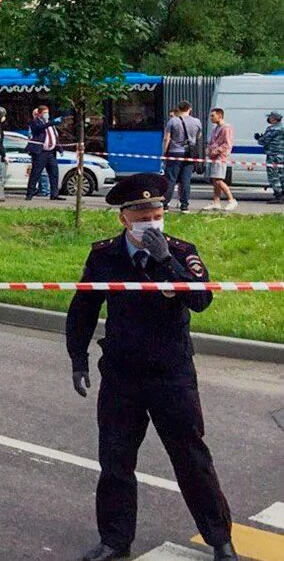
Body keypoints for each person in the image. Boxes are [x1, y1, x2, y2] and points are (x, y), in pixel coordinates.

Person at [66, 173, 236, 561]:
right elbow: (84, 307)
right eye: (142, 214)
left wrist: (165, 262)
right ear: (124, 218)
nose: (151, 220)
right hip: (123, 374)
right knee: (115, 460)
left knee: (192, 459)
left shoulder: (180, 251)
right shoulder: (105, 255)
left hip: (171, 374)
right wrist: (78, 357)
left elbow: (200, 301)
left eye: (157, 212)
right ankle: (115, 540)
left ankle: (220, 539)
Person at [162, 100, 203, 213]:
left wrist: (164, 153)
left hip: (174, 152)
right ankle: (184, 206)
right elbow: (198, 136)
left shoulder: (172, 121)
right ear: (190, 109)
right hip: (189, 153)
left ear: (178, 109)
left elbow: (167, 139)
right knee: (186, 180)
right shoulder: (197, 121)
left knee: (170, 179)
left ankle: (165, 205)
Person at [25, 105, 66, 201]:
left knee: (54, 173)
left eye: (47, 113)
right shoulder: (35, 122)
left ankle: (54, 194)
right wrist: (52, 123)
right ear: (39, 113)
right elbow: (39, 128)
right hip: (40, 152)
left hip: (51, 153)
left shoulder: (50, 124)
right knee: (36, 173)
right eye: (44, 113)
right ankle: (30, 194)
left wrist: (59, 149)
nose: (47, 115)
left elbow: (54, 137)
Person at [202, 109, 237, 211]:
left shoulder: (226, 128)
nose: (211, 118)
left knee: (218, 180)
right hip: (213, 157)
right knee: (214, 180)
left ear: (220, 115)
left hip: (220, 158)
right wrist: (208, 149)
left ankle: (231, 200)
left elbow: (227, 143)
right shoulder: (215, 128)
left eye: (213, 116)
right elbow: (212, 141)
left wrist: (217, 151)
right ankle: (216, 202)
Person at [256, 111, 284, 204]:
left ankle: (278, 196)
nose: (269, 119)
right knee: (282, 175)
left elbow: (263, 141)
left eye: (270, 117)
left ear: (274, 119)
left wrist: (259, 138)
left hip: (273, 155)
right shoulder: (282, 128)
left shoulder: (272, 129)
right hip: (282, 155)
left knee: (273, 176)